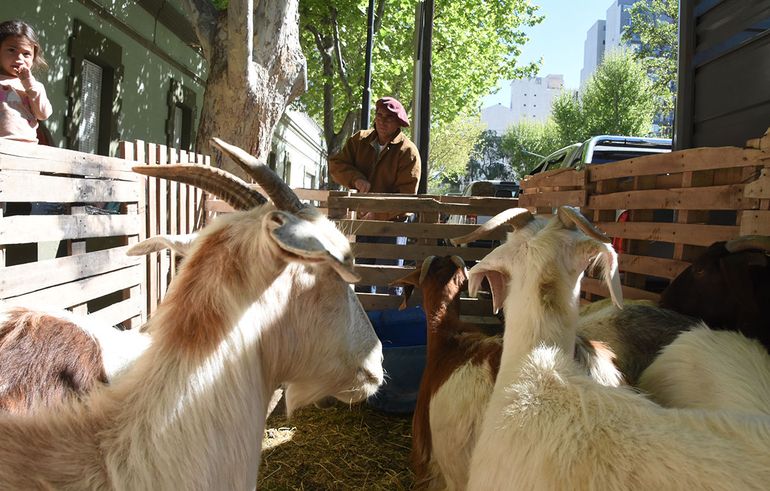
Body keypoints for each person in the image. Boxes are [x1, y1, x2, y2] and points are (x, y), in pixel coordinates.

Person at [329, 97, 421, 294]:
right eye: (379, 115)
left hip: (392, 226)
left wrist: (377, 214)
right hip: (361, 224)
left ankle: (388, 314)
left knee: (388, 281)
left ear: (398, 123)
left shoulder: (408, 152)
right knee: (361, 279)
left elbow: (407, 198)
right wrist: (355, 179)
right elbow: (336, 165)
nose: (382, 121)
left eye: (388, 118)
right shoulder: (359, 140)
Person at [0, 20, 52, 143]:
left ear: (34, 57)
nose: (19, 59)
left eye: (26, 54)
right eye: (11, 50)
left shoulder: (35, 86)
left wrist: (29, 84)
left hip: (27, 148)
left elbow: (43, 114)